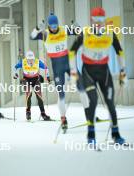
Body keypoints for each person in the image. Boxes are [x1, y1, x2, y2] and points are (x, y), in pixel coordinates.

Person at [69, 7, 127, 144]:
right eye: (96, 20)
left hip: (104, 72)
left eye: (101, 20)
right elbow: (72, 52)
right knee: (93, 101)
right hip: (88, 71)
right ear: (91, 20)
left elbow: (120, 52)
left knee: (110, 103)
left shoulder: (110, 34)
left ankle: (116, 133)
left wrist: (123, 71)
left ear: (104, 20)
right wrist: (73, 72)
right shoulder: (85, 34)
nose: (98, 23)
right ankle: (91, 134)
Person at [30, 13, 87, 132]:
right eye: (52, 26)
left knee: (81, 88)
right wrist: (37, 28)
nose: (54, 28)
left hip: (69, 65)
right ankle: (63, 119)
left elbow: (80, 34)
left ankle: (89, 114)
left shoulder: (63, 29)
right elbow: (32, 36)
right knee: (61, 95)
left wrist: (78, 27)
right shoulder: (45, 34)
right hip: (57, 68)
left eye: (56, 25)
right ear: (49, 26)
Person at [14, 50, 51, 121]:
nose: (31, 61)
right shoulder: (23, 62)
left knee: (39, 96)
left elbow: (46, 68)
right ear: (26, 59)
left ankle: (43, 114)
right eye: (29, 59)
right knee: (29, 94)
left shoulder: (37, 62)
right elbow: (16, 67)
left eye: (32, 59)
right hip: (26, 79)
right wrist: (16, 74)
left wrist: (48, 77)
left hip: (35, 79)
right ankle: (28, 112)